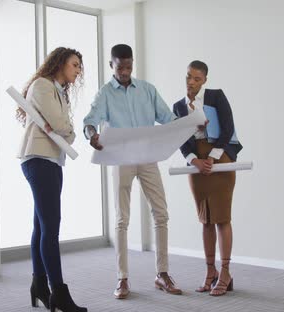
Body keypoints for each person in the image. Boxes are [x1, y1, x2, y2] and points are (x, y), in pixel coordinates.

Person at [83, 44, 183, 299]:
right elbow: (89, 121)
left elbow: (168, 119)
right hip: (121, 159)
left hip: (148, 158)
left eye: (129, 66)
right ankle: (122, 278)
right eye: (120, 67)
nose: (125, 71)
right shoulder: (105, 93)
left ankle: (162, 274)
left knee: (161, 214)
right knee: (122, 220)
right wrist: (92, 134)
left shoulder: (147, 90)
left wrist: (189, 124)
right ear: (111, 66)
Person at [18, 47, 88, 311]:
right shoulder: (42, 86)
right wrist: (60, 129)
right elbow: (61, 127)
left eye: (80, 66)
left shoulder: (59, 92)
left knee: (41, 227)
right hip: (38, 159)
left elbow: (67, 132)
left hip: (51, 160)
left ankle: (39, 285)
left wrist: (61, 129)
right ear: (60, 63)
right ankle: (59, 292)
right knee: (51, 228)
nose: (78, 70)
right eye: (75, 64)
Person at [172, 60, 243, 296]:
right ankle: (210, 272)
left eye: (196, 79)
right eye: (188, 77)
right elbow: (180, 138)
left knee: (222, 217)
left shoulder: (216, 96)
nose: (191, 82)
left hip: (219, 157)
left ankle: (225, 272)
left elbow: (228, 126)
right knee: (205, 218)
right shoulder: (179, 107)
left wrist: (212, 157)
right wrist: (194, 159)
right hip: (196, 163)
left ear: (205, 80)